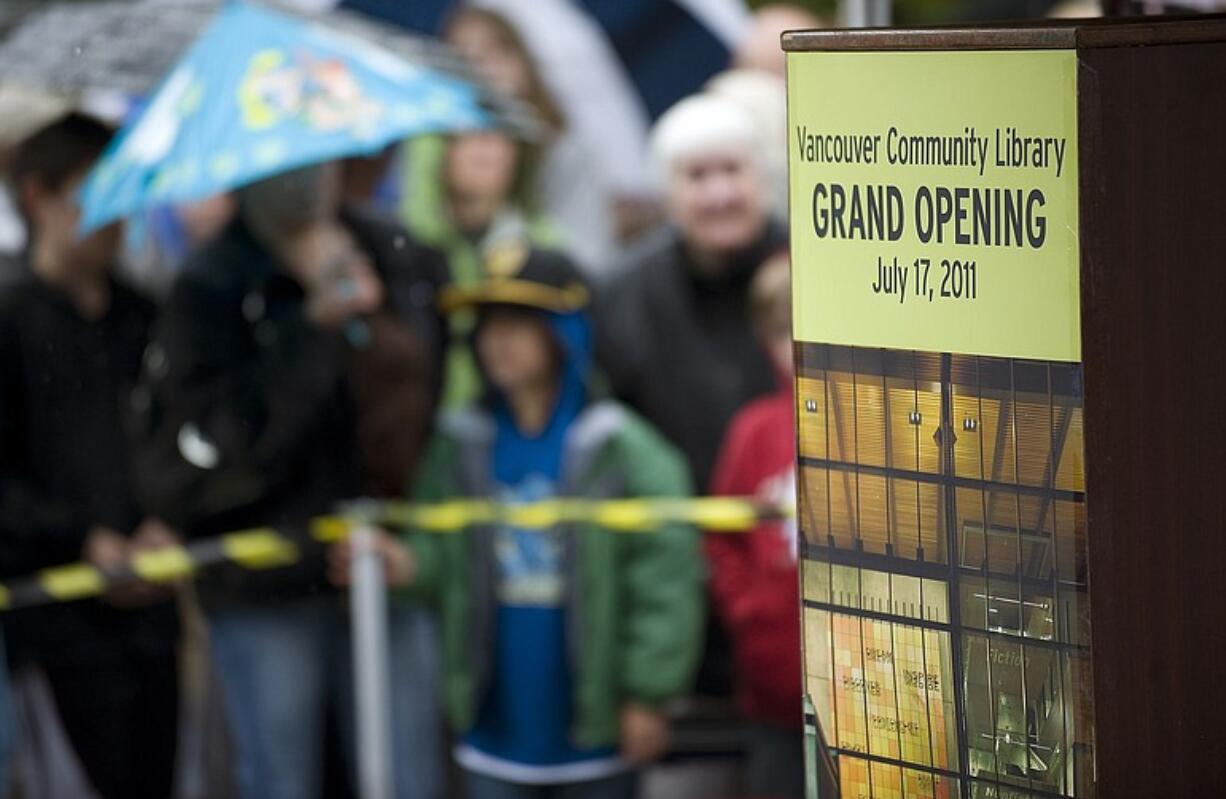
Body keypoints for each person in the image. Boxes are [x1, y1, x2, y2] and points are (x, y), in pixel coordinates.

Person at [330, 244, 703, 798]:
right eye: (487, 324)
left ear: (565, 332)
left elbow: (665, 584)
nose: (496, 340)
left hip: (592, 740)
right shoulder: (462, 443)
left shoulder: (621, 449)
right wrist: (406, 564)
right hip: (495, 735)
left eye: (519, 323)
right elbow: (441, 552)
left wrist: (648, 696)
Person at [132, 161, 448, 799]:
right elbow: (219, 457)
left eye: (314, 165)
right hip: (265, 582)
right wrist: (308, 333)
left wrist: (372, 329)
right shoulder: (209, 284)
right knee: (281, 777)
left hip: (380, 559)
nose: (301, 184)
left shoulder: (393, 251)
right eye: (280, 171)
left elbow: (420, 417)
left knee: (406, 774)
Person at [0, 113, 180, 799]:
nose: (113, 216)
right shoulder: (12, 318)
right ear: (39, 197)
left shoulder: (144, 315)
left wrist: (166, 523)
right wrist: (81, 541)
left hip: (151, 611)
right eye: (93, 193)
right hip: (53, 622)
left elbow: (176, 440)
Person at [596, 91, 783, 699]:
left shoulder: (815, 269)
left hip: (791, 584)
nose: (719, 193)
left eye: (732, 170)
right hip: (675, 592)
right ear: (667, 192)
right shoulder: (623, 295)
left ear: (762, 176)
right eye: (697, 176)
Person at [707, 252, 803, 798]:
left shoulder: (880, 421)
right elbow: (723, 537)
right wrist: (750, 612)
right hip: (773, 698)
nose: (798, 345)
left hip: (872, 699)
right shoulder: (753, 431)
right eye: (784, 331)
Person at [401, 128, 562, 408]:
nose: (483, 151)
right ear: (439, 152)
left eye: (497, 137)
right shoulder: (407, 246)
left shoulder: (544, 248)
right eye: (467, 137)